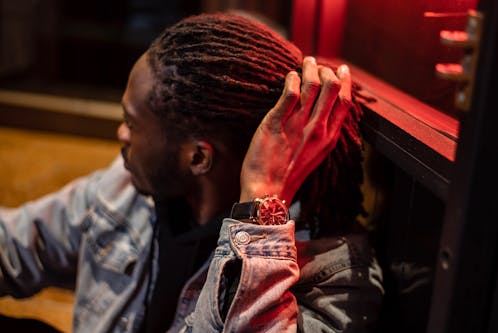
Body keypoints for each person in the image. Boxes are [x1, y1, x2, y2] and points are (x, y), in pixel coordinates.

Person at [0, 13, 383, 332]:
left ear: (198, 159)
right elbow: (14, 245)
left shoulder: (337, 276)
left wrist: (261, 202)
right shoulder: (125, 189)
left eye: (131, 123)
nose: (121, 134)